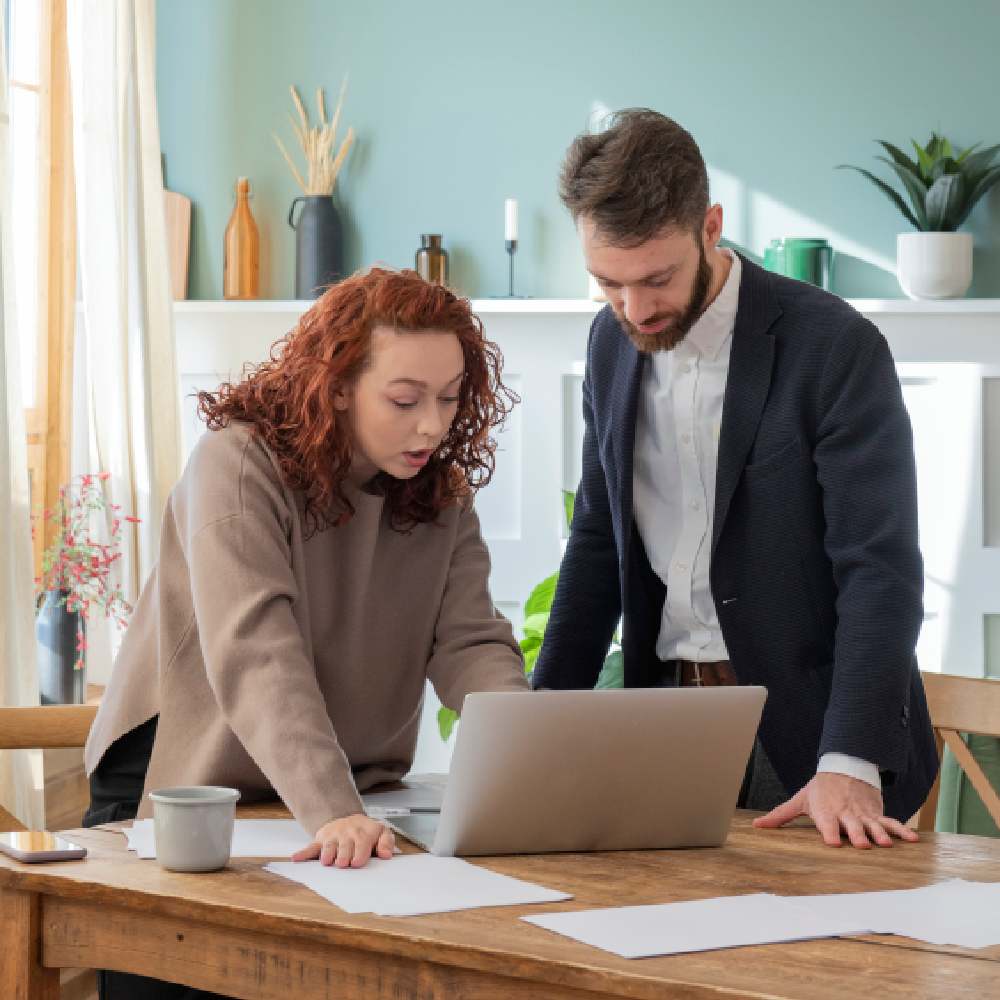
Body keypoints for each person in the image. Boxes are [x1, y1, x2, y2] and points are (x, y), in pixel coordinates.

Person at [83, 267, 528, 999]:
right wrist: (334, 810)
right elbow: (257, 652)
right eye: (405, 399)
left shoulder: (440, 493)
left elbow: (472, 643)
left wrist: (529, 764)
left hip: (348, 799)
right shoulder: (235, 463)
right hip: (182, 786)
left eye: (450, 399)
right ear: (339, 383)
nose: (432, 426)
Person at [532, 109, 938, 849]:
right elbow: (597, 541)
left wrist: (850, 757)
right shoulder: (609, 344)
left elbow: (879, 567)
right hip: (667, 722)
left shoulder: (834, 346)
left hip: (815, 737)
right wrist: (534, 732)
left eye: (657, 279)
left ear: (711, 226)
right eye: (608, 284)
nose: (636, 310)